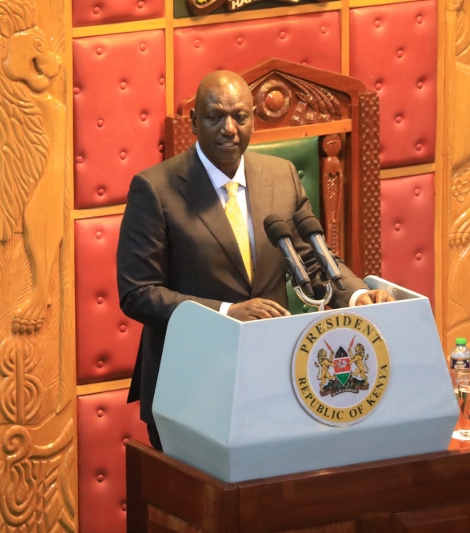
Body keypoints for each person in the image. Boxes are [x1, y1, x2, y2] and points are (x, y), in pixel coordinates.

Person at [116, 70, 393, 451]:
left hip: (272, 379)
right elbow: (138, 292)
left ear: (253, 120)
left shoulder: (281, 176)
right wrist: (228, 312)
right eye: (215, 117)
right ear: (195, 122)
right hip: (190, 384)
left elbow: (313, 258)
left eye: (240, 117)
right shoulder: (155, 189)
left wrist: (360, 296)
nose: (229, 129)